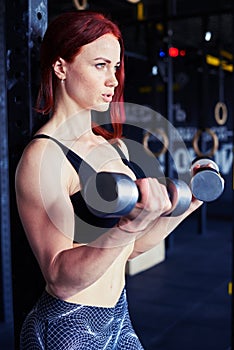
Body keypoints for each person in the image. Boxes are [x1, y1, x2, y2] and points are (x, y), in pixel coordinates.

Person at [15, 11, 202, 349]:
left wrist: (188, 206)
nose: (113, 81)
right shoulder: (45, 156)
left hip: (118, 315)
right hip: (67, 325)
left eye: (115, 68)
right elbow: (59, 279)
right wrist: (128, 225)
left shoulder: (112, 146)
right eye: (100, 65)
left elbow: (127, 250)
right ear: (61, 67)